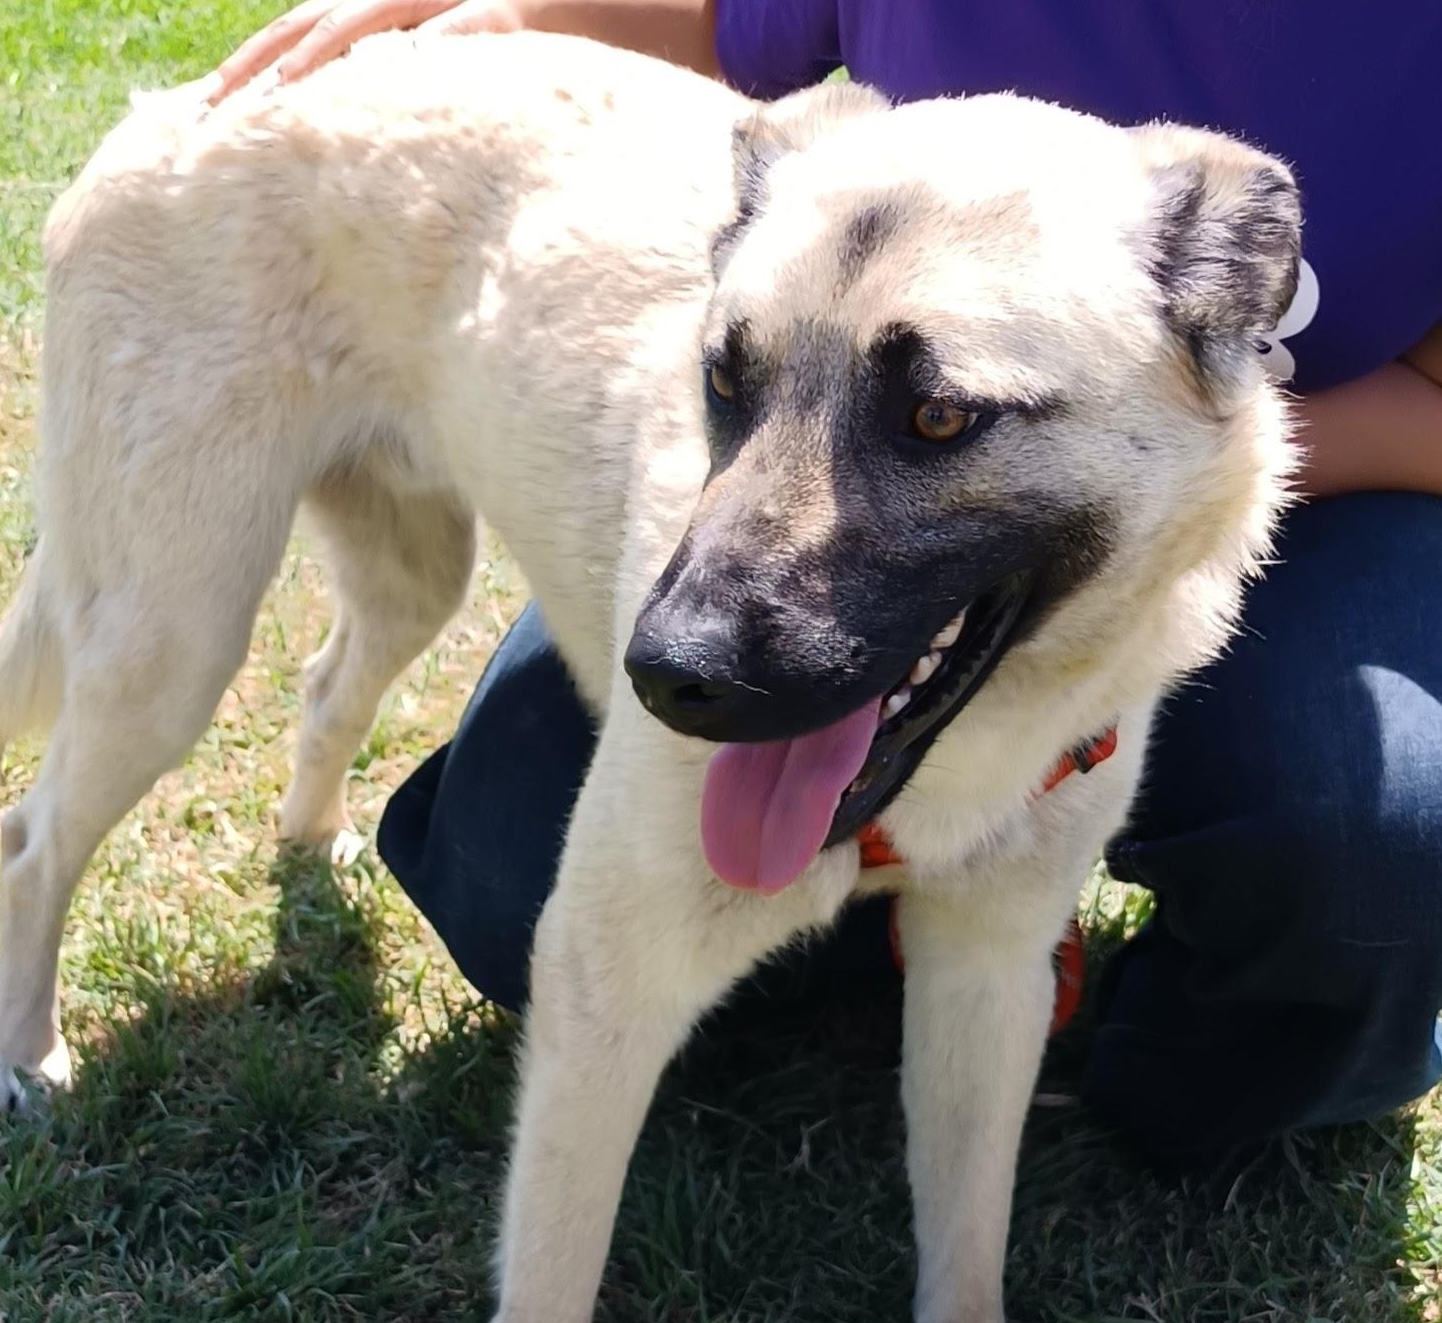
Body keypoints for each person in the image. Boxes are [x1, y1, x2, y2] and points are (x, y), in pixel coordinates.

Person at [211, 1, 1442, 1166]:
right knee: (506, 875)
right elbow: (723, 17)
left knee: (1364, 836)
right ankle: (915, 912)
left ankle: (1175, 1072)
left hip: (1312, 501)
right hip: (853, 455)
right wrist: (485, 19)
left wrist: (1160, 458)